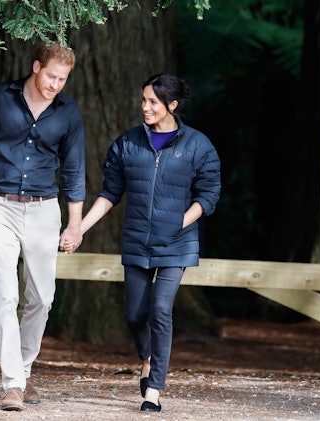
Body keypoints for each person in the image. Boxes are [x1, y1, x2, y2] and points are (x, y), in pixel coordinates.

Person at [77, 73, 221, 413]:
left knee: (160, 311)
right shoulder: (127, 144)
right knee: (134, 314)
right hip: (136, 242)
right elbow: (110, 192)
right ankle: (147, 356)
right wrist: (79, 228)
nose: (145, 107)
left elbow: (209, 193)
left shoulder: (198, 145)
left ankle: (154, 389)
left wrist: (179, 223)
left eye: (153, 102)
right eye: (144, 100)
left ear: (172, 105)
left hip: (177, 243)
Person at [0, 42, 85, 411]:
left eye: (62, 79)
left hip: (45, 209)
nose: (55, 84)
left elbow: (74, 170)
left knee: (42, 298)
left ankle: (25, 369)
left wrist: (75, 223)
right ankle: (13, 383)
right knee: (5, 295)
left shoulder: (69, 112)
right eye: (51, 76)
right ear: (36, 67)